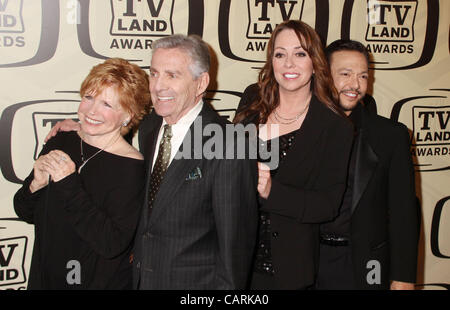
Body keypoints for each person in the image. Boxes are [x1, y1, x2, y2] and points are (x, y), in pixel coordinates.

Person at [45, 35, 259, 289]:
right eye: (154, 73)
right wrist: (82, 128)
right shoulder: (150, 126)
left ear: (201, 82)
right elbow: (113, 134)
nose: (158, 86)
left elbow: (235, 249)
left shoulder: (229, 143)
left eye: (172, 75)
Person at [234, 20, 354, 289]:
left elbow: (328, 205)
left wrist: (271, 191)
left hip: (284, 270)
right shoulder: (251, 102)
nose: (289, 64)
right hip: (233, 260)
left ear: (315, 62)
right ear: (271, 61)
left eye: (300, 54)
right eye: (280, 54)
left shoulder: (335, 127)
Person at [13, 58, 151, 289]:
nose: (91, 110)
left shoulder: (130, 167)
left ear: (128, 115)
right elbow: (25, 211)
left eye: (107, 104)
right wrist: (35, 186)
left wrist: (69, 183)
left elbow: (111, 243)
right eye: (89, 97)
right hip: (45, 277)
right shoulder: (62, 139)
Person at [315, 39, 419, 290]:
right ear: (324, 76)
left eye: (363, 75)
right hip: (310, 261)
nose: (355, 84)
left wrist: (404, 276)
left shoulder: (391, 135)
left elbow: (404, 212)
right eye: (345, 74)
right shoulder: (301, 128)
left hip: (367, 263)